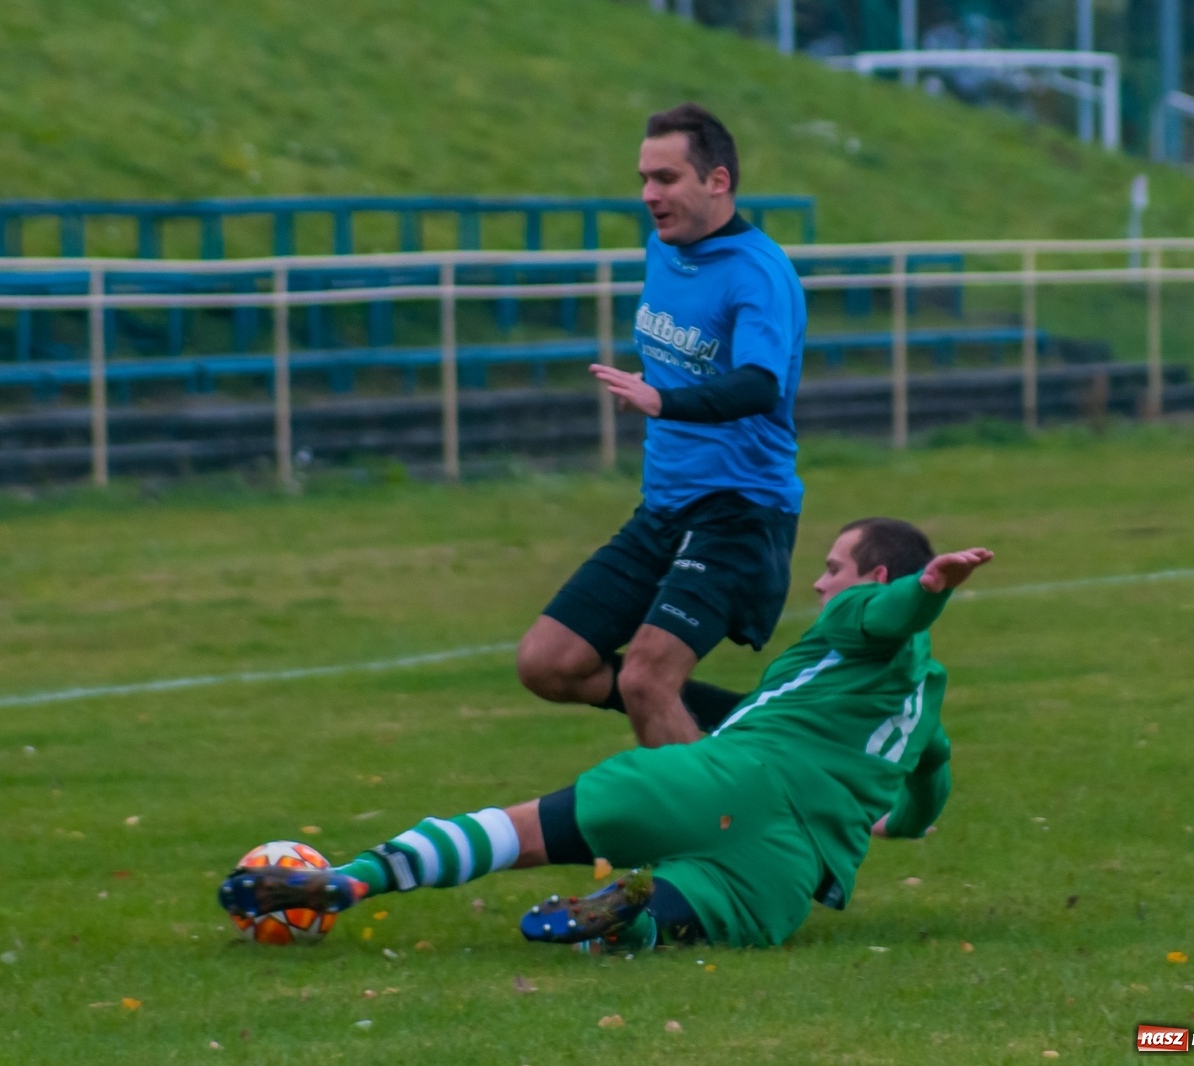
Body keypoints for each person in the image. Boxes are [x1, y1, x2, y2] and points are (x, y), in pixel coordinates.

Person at [220, 519, 993, 950]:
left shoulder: (857, 619)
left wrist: (928, 590)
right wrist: (893, 823)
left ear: (873, 577)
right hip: (793, 872)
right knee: (685, 918)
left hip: (726, 780)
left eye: (833, 566)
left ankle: (362, 876)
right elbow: (932, 786)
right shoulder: (925, 706)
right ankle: (638, 920)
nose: (821, 582)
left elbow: (888, 616)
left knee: (522, 832)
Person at [514, 102, 808, 748]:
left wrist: (664, 402)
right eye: (644, 178)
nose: (649, 195)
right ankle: (781, 737)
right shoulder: (664, 249)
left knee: (648, 679)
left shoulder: (759, 273)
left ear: (718, 181)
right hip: (665, 508)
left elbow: (761, 383)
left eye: (667, 178)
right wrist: (659, 391)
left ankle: (698, 841)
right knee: (548, 662)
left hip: (740, 514)